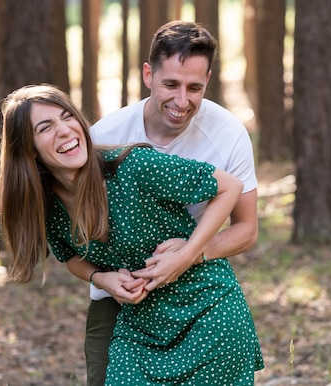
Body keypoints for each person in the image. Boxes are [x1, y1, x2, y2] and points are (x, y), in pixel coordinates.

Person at [0, 84, 264, 384]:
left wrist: (188, 254)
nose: (65, 130)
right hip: (140, 325)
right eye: (45, 127)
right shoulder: (45, 204)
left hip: (208, 312)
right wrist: (101, 278)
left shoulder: (133, 165)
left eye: (67, 117)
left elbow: (229, 186)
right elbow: (70, 257)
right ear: (28, 149)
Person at [82, 20, 261, 384]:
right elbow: (78, 237)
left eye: (195, 87)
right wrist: (103, 277)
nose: (182, 101)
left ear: (207, 80)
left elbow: (247, 229)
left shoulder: (228, 134)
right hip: (120, 297)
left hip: (197, 295)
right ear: (148, 75)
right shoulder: (105, 135)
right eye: (171, 84)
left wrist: (189, 254)